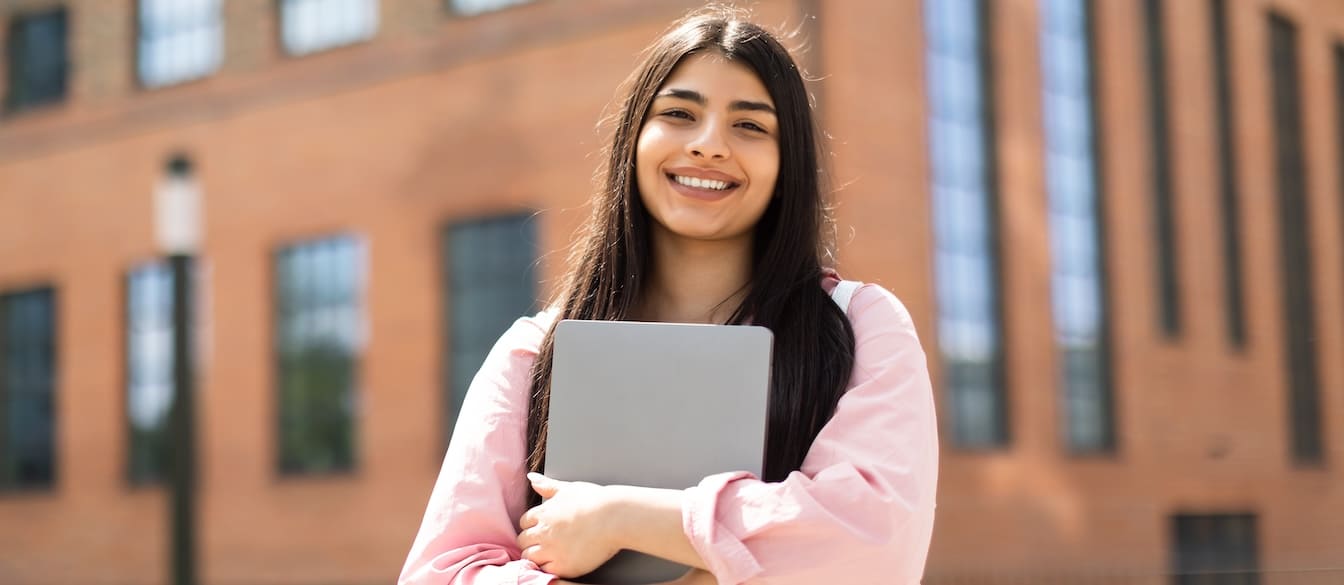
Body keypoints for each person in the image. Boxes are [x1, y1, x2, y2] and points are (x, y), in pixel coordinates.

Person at [398, 5, 938, 584]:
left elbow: (870, 538)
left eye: (750, 125)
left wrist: (621, 519)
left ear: (789, 165)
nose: (708, 146)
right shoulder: (533, 355)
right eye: (679, 113)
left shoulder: (859, 327)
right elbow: (442, 572)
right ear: (634, 139)